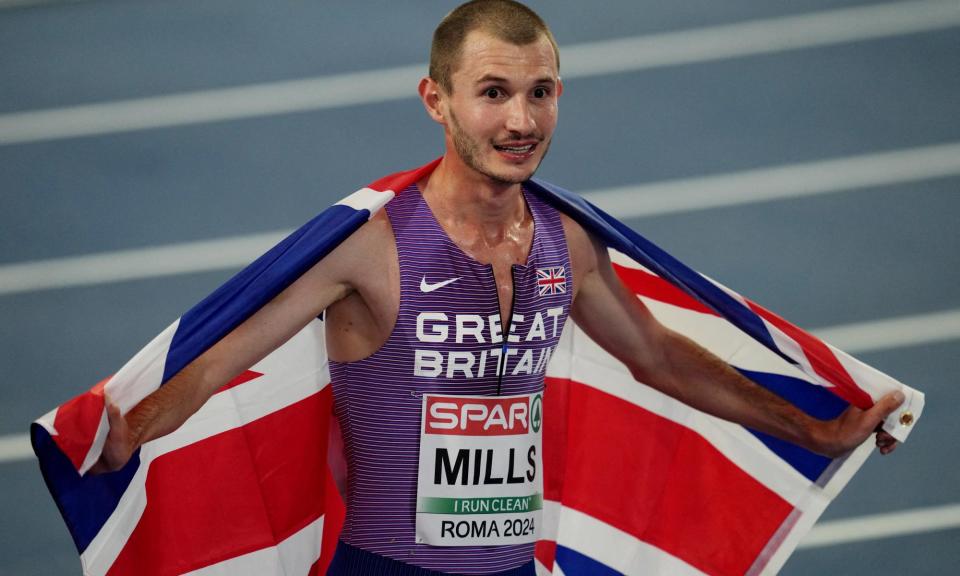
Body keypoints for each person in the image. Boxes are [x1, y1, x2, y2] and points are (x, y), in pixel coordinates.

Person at [91, 1, 903, 574]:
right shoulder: (370, 247)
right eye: (493, 93)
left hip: (514, 567)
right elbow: (218, 362)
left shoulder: (567, 240)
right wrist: (134, 428)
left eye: (540, 92)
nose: (521, 121)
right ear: (436, 100)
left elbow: (657, 356)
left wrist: (811, 430)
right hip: (386, 571)